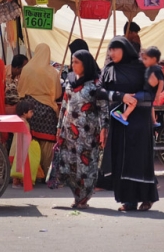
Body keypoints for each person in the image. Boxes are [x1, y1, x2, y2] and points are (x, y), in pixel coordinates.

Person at [92, 37, 159, 212]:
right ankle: (129, 200)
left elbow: (150, 93)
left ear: (125, 49)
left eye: (115, 49)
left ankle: (147, 197)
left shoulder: (141, 67)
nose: (111, 53)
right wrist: (120, 96)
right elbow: (99, 91)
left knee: (138, 159)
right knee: (121, 159)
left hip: (139, 121)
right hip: (118, 119)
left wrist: (134, 98)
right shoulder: (109, 69)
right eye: (110, 49)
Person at [52, 50, 107, 209]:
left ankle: (84, 197)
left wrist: (104, 129)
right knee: (70, 163)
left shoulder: (95, 84)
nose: (72, 65)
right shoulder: (69, 81)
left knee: (86, 165)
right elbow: (64, 105)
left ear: (86, 64)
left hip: (88, 133)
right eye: (72, 61)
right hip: (68, 131)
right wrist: (59, 126)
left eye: (76, 62)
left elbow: (103, 109)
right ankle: (77, 195)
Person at [18, 43, 62, 181]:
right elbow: (58, 93)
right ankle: (46, 175)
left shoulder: (26, 69)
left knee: (31, 141)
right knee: (47, 143)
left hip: (29, 108)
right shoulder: (53, 72)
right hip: (48, 109)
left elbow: (20, 89)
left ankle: (31, 173)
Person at [112, 46, 164, 126]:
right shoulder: (149, 68)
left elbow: (161, 82)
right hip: (147, 93)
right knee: (150, 106)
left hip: (148, 93)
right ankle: (153, 121)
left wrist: (158, 95)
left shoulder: (156, 69)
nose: (144, 61)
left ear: (153, 59)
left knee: (132, 99)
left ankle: (124, 115)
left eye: (146, 59)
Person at [10, 100, 41, 188]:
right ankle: (16, 182)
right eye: (31, 112)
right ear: (24, 112)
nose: (32, 114)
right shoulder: (23, 123)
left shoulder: (18, 121)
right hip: (20, 147)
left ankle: (16, 181)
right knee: (19, 165)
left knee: (17, 165)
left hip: (15, 146)